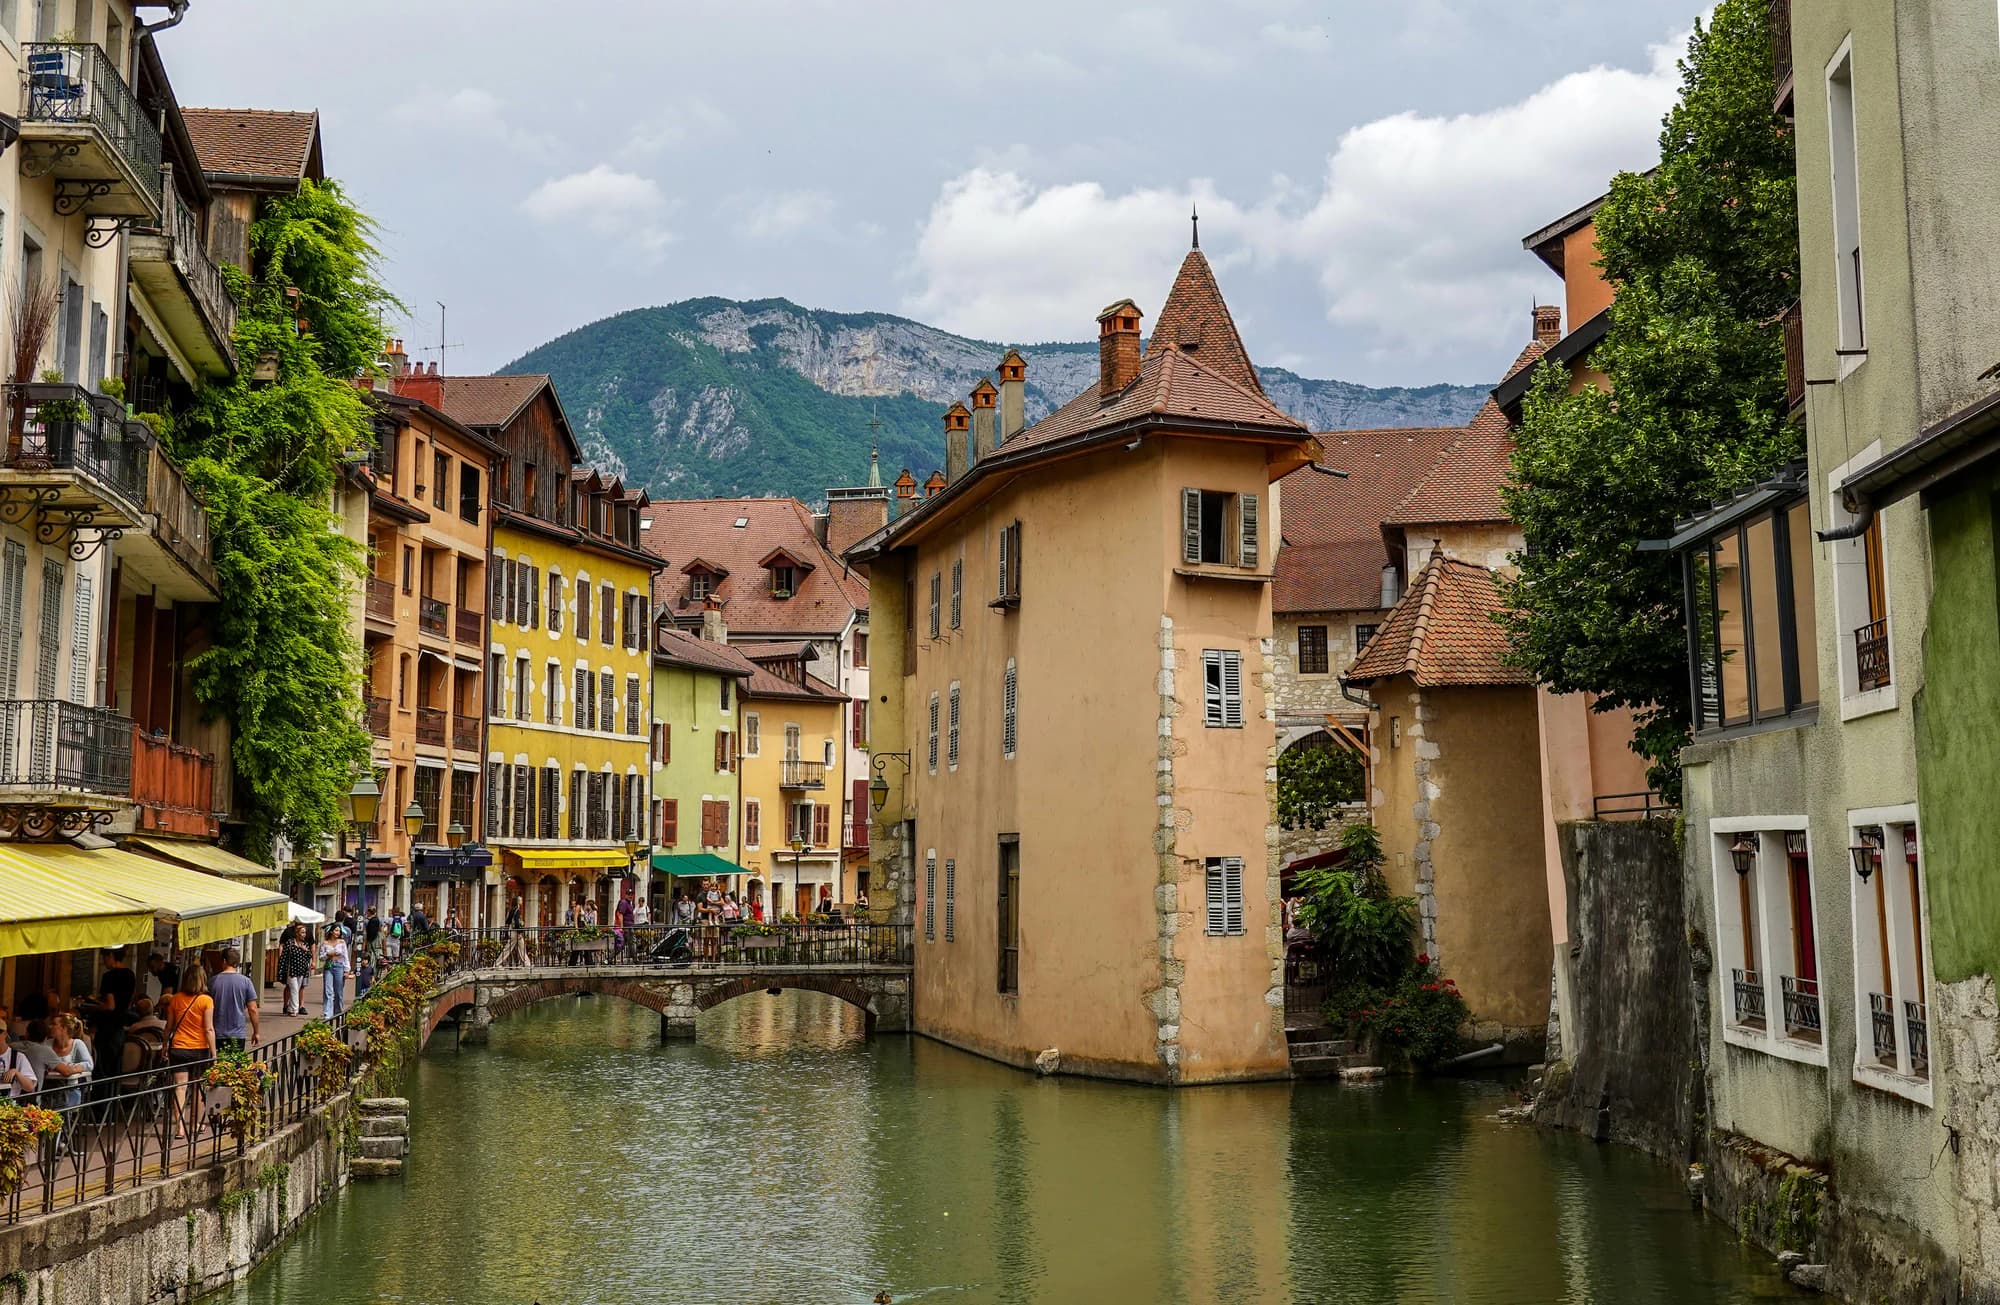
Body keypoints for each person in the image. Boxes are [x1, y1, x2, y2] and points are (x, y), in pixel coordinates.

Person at [162, 967, 214, 1139]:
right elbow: (208, 1029)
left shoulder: (175, 999)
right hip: (200, 1048)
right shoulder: (206, 1000)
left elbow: (168, 1026)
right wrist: (214, 1053)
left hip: (179, 1047)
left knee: (180, 1087)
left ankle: (179, 1128)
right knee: (198, 1087)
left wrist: (164, 1046)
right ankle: (197, 1123)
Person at [88, 946, 136, 1097]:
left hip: (107, 1029)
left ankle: (100, 1107)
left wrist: (96, 1006)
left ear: (110, 956)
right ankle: (113, 1107)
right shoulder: (130, 975)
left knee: (102, 1068)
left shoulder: (108, 977)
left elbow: (110, 1005)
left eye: (104, 958)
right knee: (115, 1069)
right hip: (120, 1027)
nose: (104, 961)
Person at [210, 948, 259, 1054]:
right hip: (237, 1034)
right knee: (235, 1067)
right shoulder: (246, 982)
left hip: (217, 1032)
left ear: (223, 961)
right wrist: (256, 1032)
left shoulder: (213, 981)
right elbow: (253, 1009)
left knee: (217, 1067)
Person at [44, 1017, 92, 1111]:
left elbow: (89, 1064)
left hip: (70, 1090)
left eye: (54, 1024)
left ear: (64, 1028)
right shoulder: (47, 1044)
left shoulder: (77, 1044)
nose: (50, 1027)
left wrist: (72, 1069)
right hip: (48, 1090)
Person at [279, 924, 312, 1017]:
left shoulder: (305, 944)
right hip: (292, 970)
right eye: (302, 932)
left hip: (301, 970)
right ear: (297, 933)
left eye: (304, 932)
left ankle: (290, 1008)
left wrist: (305, 950)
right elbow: (284, 957)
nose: (304, 934)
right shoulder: (290, 943)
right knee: (294, 989)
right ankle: (294, 1009)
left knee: (297, 989)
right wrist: (281, 969)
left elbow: (309, 956)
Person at [318, 926, 351, 1019]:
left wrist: (346, 970)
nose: (338, 933)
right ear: (331, 931)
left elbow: (345, 956)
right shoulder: (325, 943)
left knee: (338, 991)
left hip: (339, 966)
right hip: (329, 966)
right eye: (336, 930)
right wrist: (327, 954)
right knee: (328, 990)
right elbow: (320, 957)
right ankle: (327, 1013)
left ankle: (338, 1012)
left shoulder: (342, 942)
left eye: (339, 931)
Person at [0, 1026, 38, 1101]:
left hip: (10, 1107)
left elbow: (29, 1087)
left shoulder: (18, 1057)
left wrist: (16, 1072)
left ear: (4, 1034)